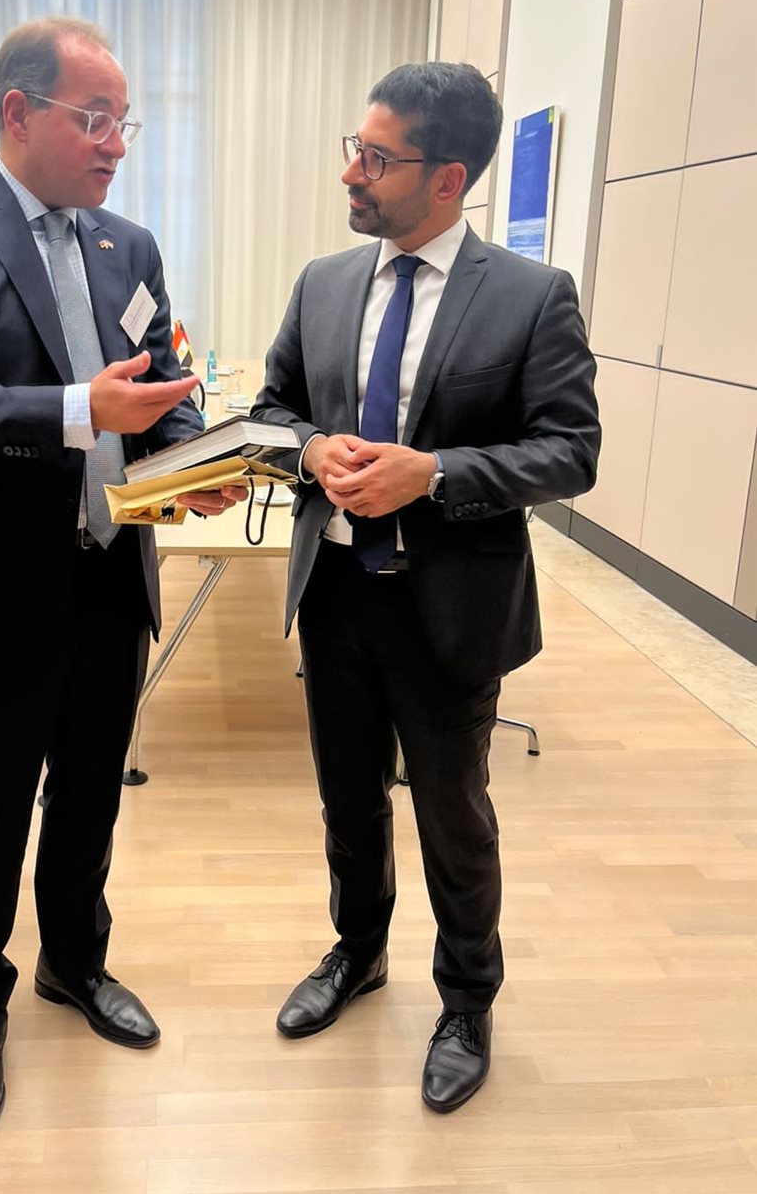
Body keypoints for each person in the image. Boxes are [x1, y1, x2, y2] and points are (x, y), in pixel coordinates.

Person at [0, 16, 244, 1140]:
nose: (116, 143)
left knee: (88, 797)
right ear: (18, 113)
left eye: (125, 122)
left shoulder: (130, 245)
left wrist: (195, 462)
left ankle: (74, 963)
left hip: (109, 575)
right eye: (96, 119)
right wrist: (80, 409)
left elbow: (163, 387)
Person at [252, 62, 600, 1113]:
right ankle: (358, 951)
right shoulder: (324, 282)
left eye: (377, 157)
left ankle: (467, 1000)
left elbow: (570, 450)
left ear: (448, 178)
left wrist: (436, 472)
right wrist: (310, 450)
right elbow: (272, 408)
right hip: (334, 591)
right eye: (353, 147)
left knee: (454, 812)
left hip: (450, 605)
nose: (351, 172)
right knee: (347, 799)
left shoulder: (532, 296)